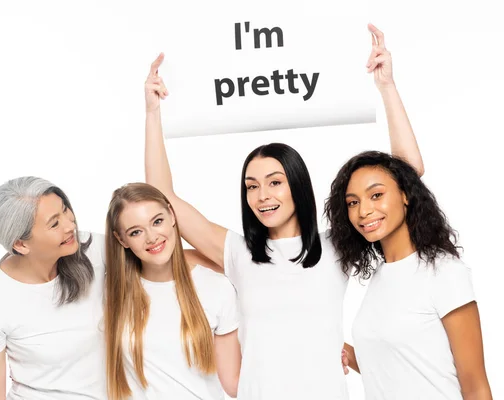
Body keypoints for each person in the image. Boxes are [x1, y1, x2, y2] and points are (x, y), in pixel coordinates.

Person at [143, 24, 424, 399]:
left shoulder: (336, 246)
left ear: (297, 185)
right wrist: (152, 112)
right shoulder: (239, 253)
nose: (262, 195)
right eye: (252, 186)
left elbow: (407, 176)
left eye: (275, 182)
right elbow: (161, 196)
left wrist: (386, 87)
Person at [325, 151, 493, 399]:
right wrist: (341, 351)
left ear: (405, 195)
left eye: (376, 195)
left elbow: (475, 385)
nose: (363, 211)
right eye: (353, 202)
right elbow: (393, 363)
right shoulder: (381, 276)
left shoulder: (444, 271)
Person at [0, 176, 106, 400]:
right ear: (21, 244)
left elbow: (166, 250)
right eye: (54, 223)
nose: (70, 225)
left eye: (65, 210)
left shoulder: (93, 250)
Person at [104, 182, 241, 399]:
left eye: (157, 221)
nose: (151, 237)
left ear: (172, 215)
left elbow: (234, 383)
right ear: (121, 239)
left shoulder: (216, 288)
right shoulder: (110, 294)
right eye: (136, 232)